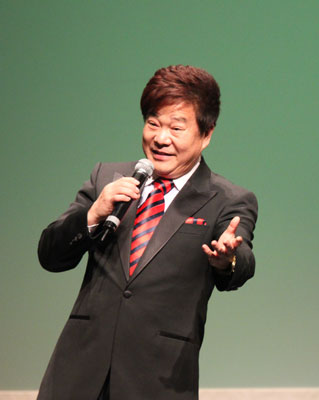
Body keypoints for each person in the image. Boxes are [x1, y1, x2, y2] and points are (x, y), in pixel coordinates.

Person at [37, 65, 258, 400]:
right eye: (153, 123)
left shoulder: (227, 199)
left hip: (158, 379)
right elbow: (50, 255)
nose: (161, 138)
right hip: (77, 374)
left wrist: (227, 259)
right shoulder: (107, 178)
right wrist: (93, 214)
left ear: (206, 134)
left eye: (176, 127)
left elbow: (242, 262)